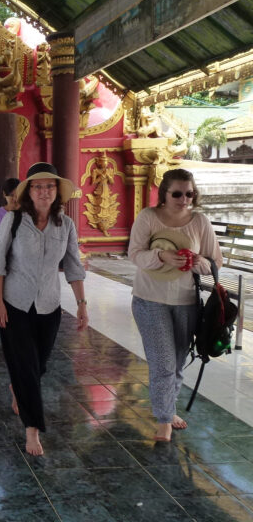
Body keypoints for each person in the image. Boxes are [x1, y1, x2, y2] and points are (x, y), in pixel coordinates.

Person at [0, 162, 88, 456]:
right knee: (28, 368)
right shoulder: (14, 220)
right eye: (38, 187)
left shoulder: (65, 225)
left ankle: (19, 388)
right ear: (28, 192)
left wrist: (82, 304)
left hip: (49, 306)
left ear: (56, 191)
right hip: (15, 305)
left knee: (38, 366)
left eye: (49, 186)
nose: (44, 191)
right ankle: (32, 429)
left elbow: (73, 266)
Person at [128, 168, 222, 442]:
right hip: (149, 299)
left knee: (178, 361)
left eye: (189, 194)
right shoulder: (148, 217)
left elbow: (215, 262)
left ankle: (168, 409)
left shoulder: (200, 222)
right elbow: (134, 254)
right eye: (177, 194)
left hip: (186, 302)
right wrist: (162, 256)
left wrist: (198, 261)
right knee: (164, 362)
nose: (184, 200)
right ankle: (164, 419)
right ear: (165, 194)